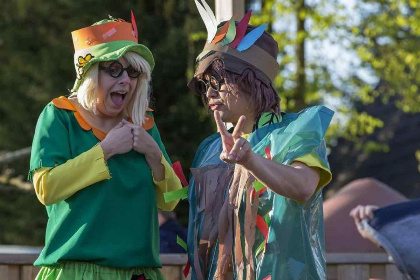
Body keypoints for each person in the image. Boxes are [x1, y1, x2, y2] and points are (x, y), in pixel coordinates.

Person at [185, 3, 334, 280]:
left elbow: (303, 186)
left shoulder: (297, 130)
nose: (209, 92)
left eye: (217, 80)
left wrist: (251, 161)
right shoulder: (208, 149)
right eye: (204, 84)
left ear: (252, 81)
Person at [29, 14, 182, 280]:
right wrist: (105, 150)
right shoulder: (59, 116)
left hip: (140, 273)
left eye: (132, 71)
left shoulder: (144, 124)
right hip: (77, 272)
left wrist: (155, 156)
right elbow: (46, 189)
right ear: (90, 73)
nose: (125, 80)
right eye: (114, 69)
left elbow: (172, 201)